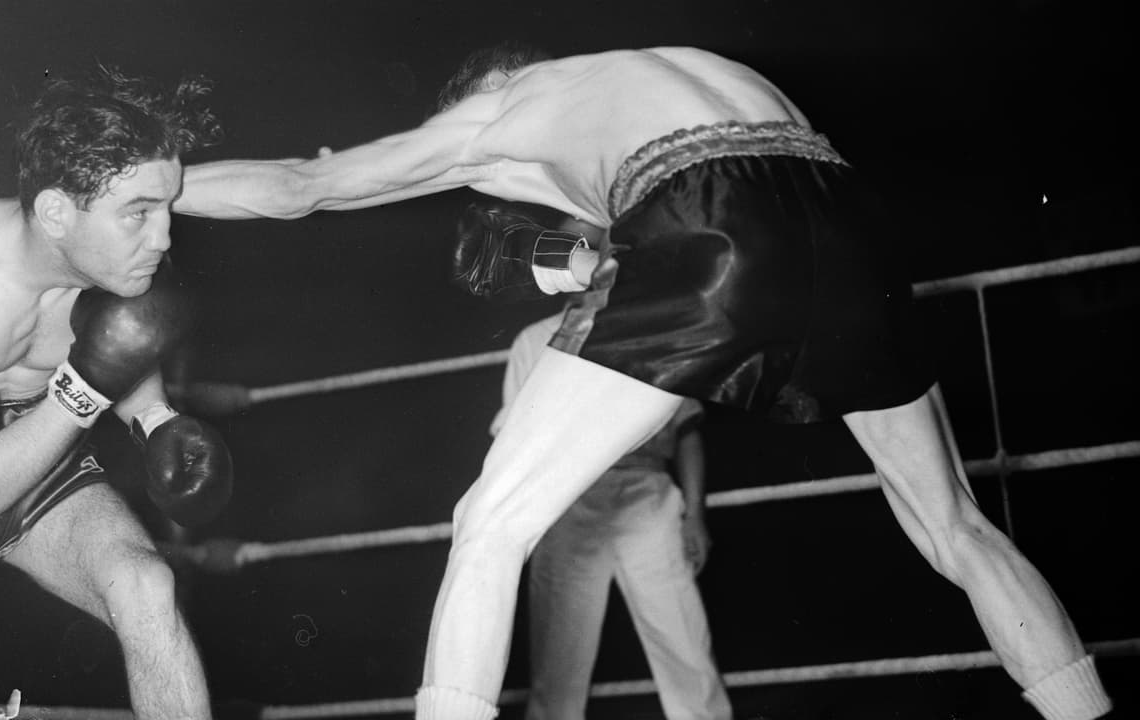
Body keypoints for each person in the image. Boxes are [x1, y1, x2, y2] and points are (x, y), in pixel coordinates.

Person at [173, 44, 1113, 720]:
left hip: (714, 222)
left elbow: (300, 186)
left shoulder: (503, 108)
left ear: (482, 91)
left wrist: (151, 190)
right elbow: (611, 246)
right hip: (847, 222)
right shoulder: (676, 72)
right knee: (956, 528)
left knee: (490, 523)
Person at [0, 66, 231, 720]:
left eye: (167, 208)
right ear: (57, 211)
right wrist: (85, 387)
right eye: (139, 213)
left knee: (146, 585)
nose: (164, 237)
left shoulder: (120, 257)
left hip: (36, 433)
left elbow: (120, 340)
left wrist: (155, 417)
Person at [498, 300, 732, 720]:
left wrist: (695, 514)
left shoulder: (655, 329)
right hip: (567, 501)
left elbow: (688, 432)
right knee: (557, 666)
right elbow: (510, 446)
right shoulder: (534, 341)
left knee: (686, 648)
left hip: (648, 496)